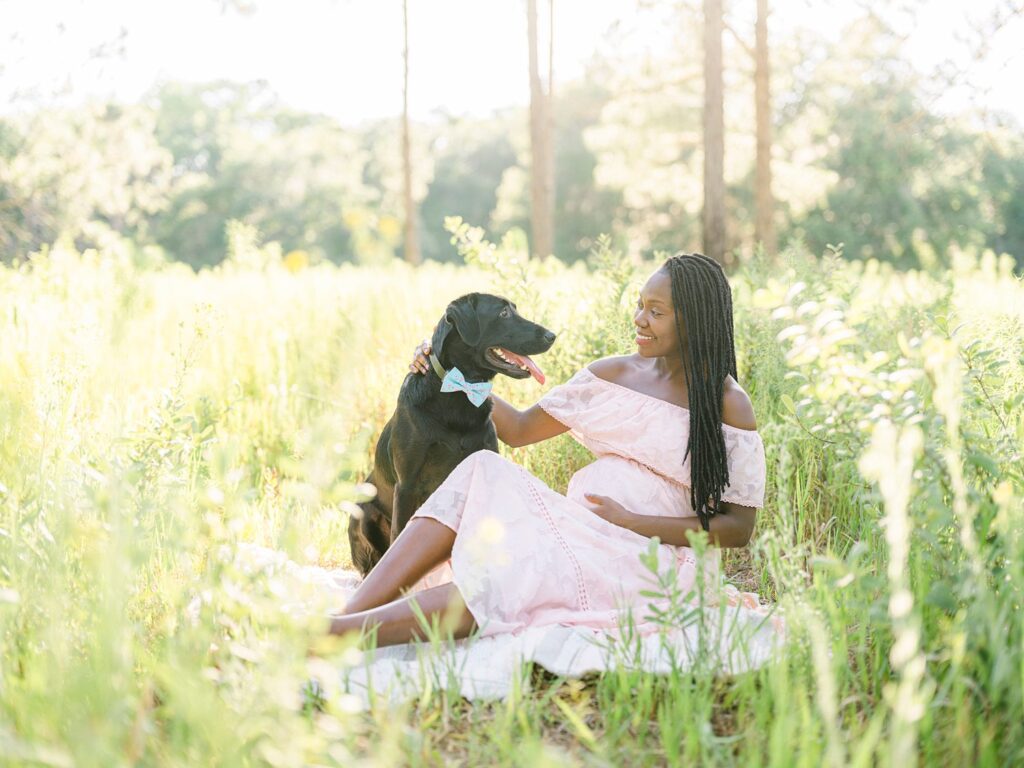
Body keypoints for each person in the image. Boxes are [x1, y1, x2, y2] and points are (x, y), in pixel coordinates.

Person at [327, 252, 772, 649]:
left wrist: (632, 522)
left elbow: (737, 528)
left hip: (656, 558)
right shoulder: (612, 374)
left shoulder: (727, 403)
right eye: (639, 305)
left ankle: (332, 637)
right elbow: (519, 429)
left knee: (504, 581)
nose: (639, 319)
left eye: (655, 312)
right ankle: (349, 613)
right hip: (579, 526)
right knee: (482, 466)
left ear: (694, 319)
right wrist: (446, 366)